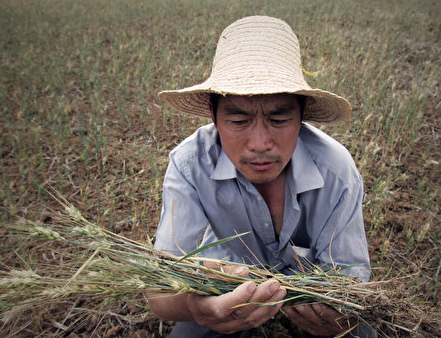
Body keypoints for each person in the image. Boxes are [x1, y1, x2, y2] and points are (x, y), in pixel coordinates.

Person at [147, 15, 374, 338]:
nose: (259, 145)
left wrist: (341, 315)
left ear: (301, 115)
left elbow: (351, 279)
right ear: (214, 117)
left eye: (279, 118)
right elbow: (159, 291)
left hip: (314, 292)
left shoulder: (336, 170)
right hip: (225, 284)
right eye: (238, 120)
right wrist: (196, 305)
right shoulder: (189, 165)